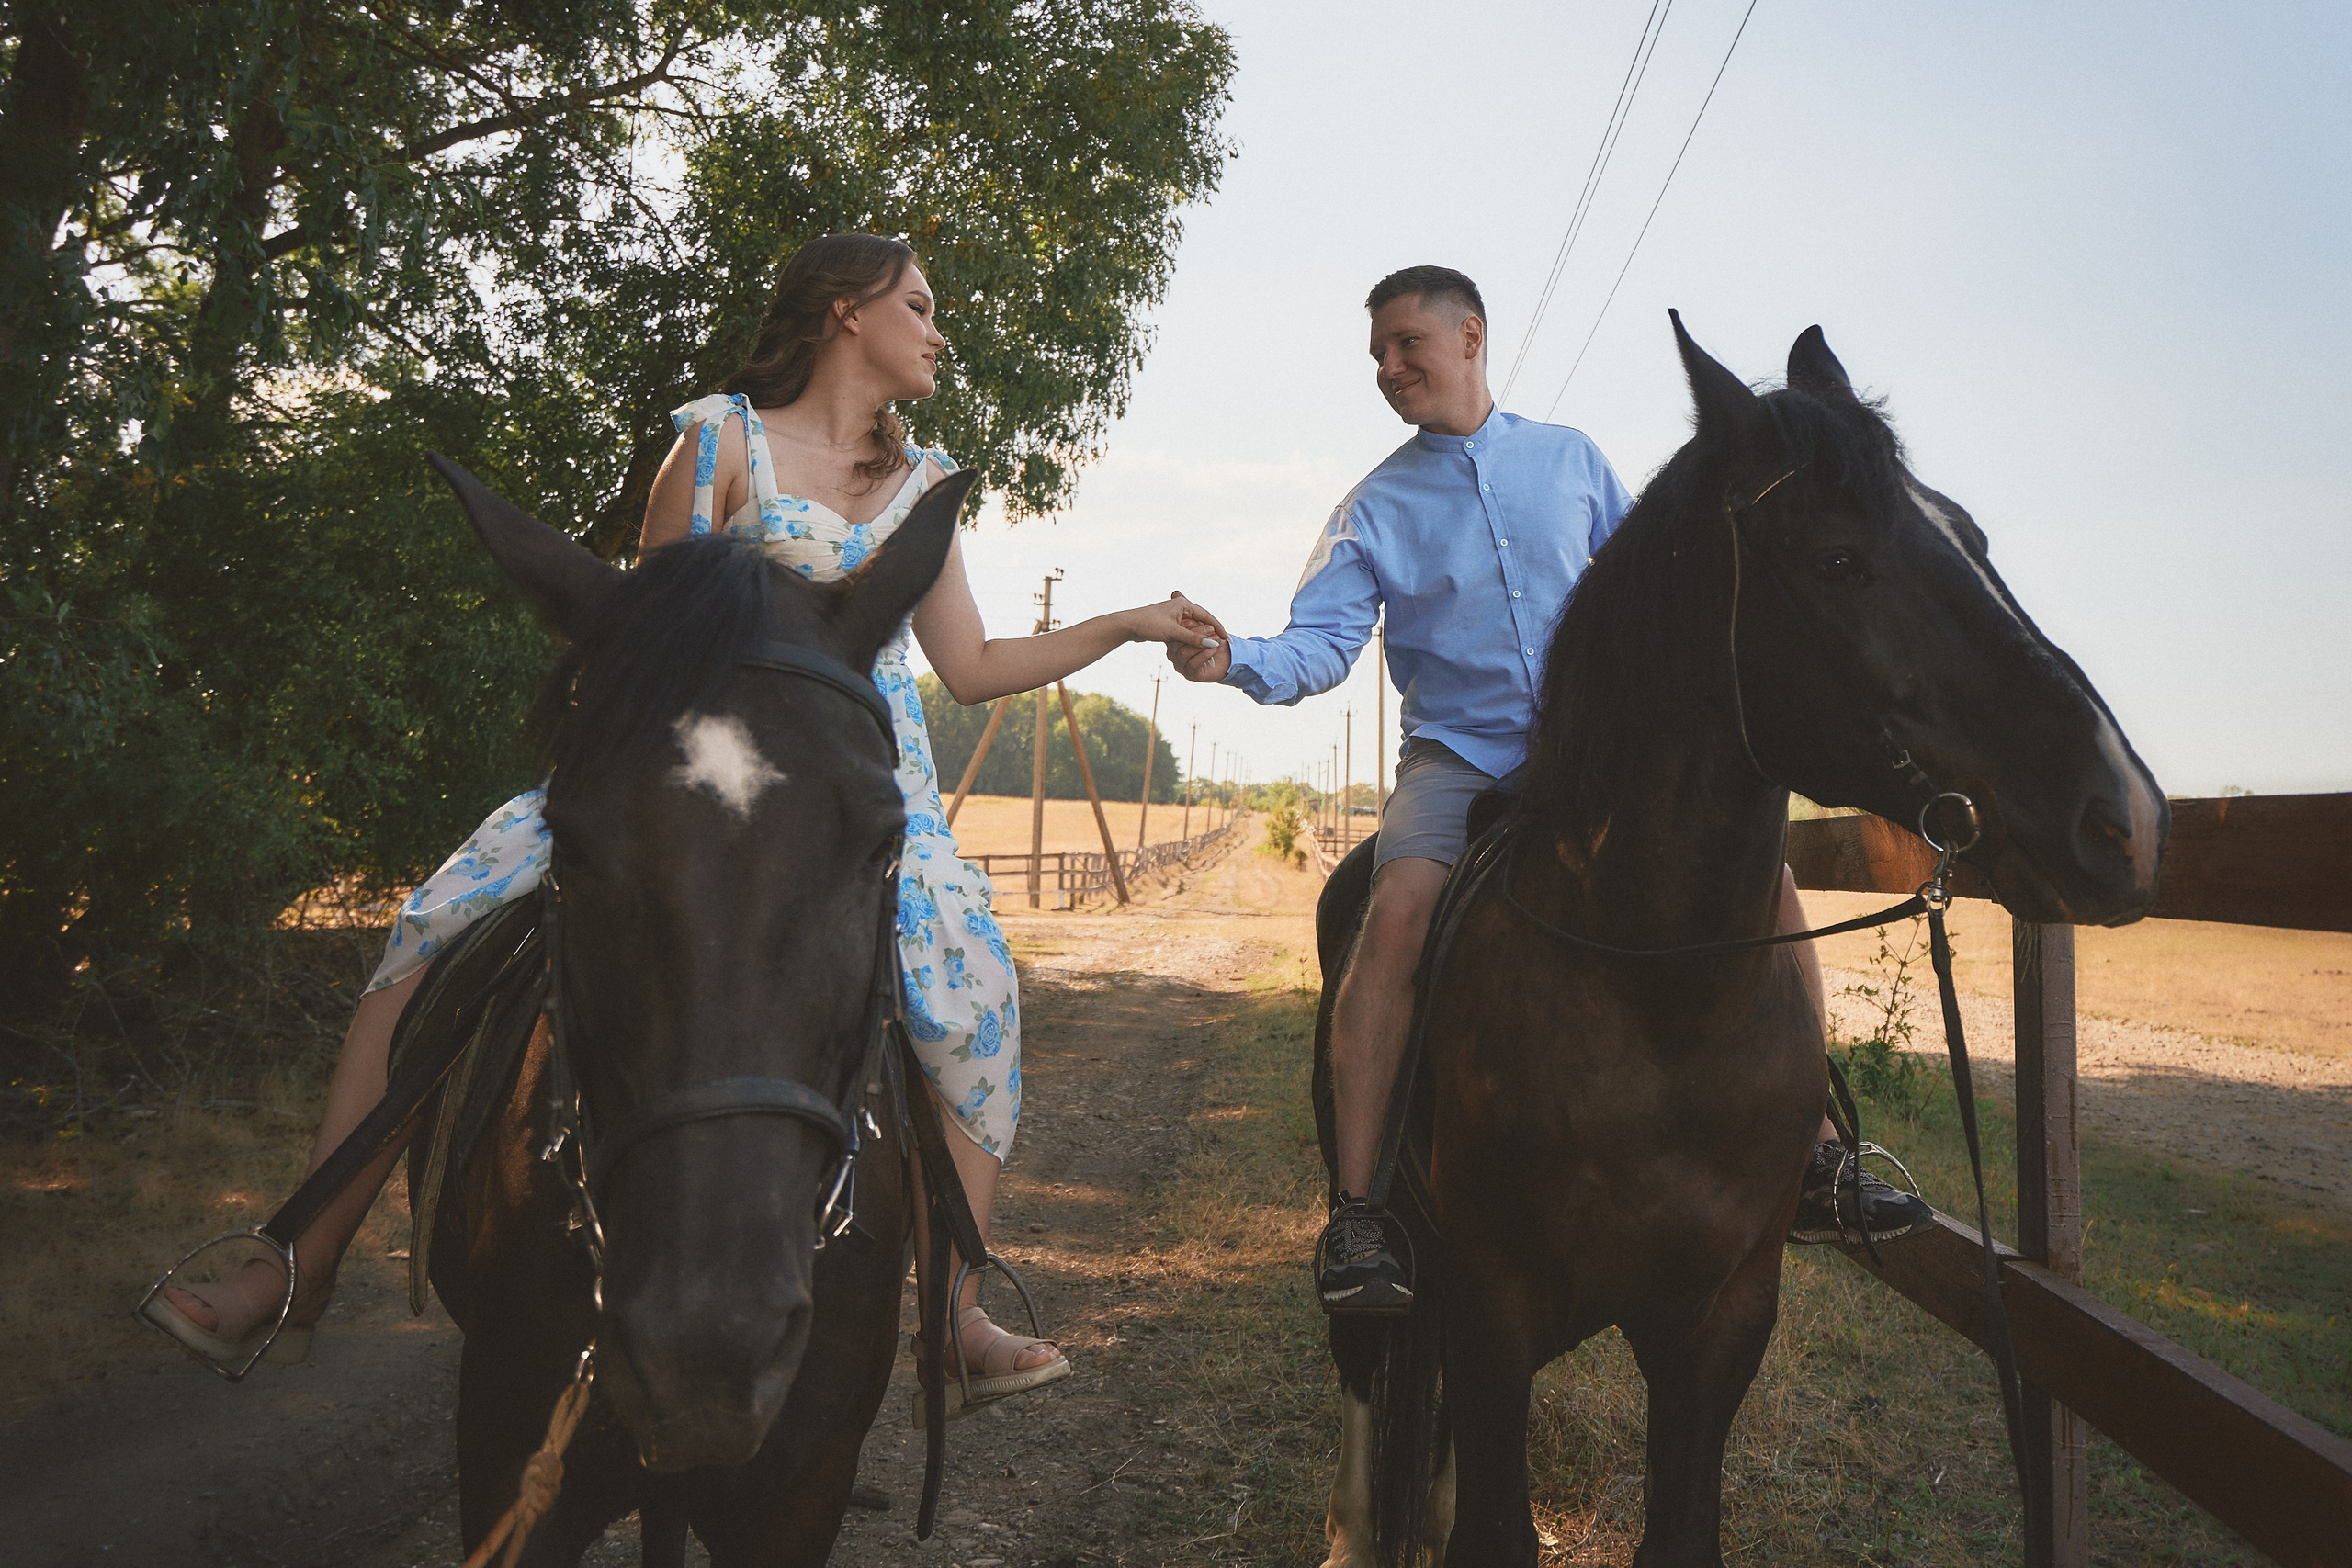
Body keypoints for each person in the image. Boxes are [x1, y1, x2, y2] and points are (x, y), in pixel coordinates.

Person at [140, 233, 1226, 1414]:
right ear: (845, 311)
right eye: (919, 305)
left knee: (971, 986)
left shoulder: (927, 487)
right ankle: (300, 1258)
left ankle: (954, 1308)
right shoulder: (718, 439)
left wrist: (1121, 623)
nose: (938, 330)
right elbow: (646, 636)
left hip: (867, 785)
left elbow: (966, 668)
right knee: (431, 926)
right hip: (690, 767)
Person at [1169, 265, 1931, 1314]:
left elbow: (1650, 592)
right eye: (1378, 356)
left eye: (1405, 344)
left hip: (1605, 759)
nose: (1389, 369)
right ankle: (1357, 1214)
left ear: (1469, 335)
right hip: (1461, 763)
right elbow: (1318, 649)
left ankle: (1822, 1156)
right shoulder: (1375, 507)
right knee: (1392, 920)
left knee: (1769, 892)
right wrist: (1231, 661)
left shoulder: (1571, 462)